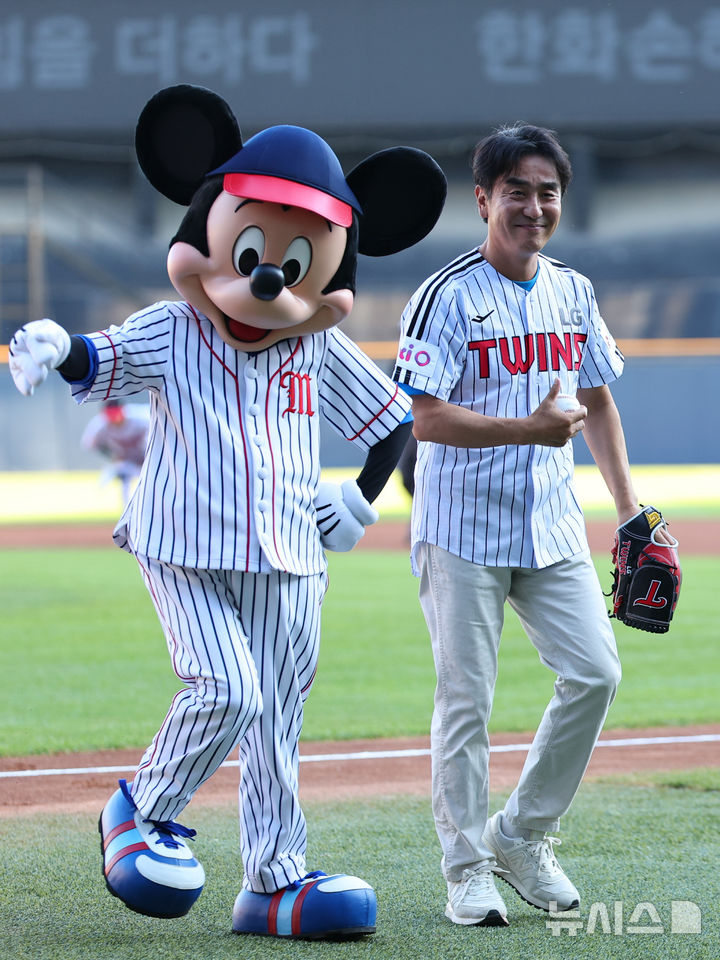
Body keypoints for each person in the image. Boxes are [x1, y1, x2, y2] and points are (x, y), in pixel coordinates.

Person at [8, 85, 446, 938]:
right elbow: (100, 358)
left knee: (278, 716)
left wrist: (358, 499)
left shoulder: (317, 345)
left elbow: (394, 422)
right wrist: (59, 348)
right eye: (249, 249)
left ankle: (274, 881)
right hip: (183, 546)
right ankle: (140, 808)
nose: (268, 274)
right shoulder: (176, 329)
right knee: (229, 689)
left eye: (296, 259)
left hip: (291, 556)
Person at [391, 123, 674, 929]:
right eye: (517, 190)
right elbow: (426, 419)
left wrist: (630, 512)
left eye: (548, 192)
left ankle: (520, 834)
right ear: (484, 201)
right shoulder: (445, 296)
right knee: (467, 702)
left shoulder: (573, 291)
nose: (534, 206)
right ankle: (465, 871)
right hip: (460, 528)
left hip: (550, 524)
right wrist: (526, 429)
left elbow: (598, 400)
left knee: (597, 672)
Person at [81, 399, 150, 504]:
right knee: (123, 476)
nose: (114, 419)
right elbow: (89, 444)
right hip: (127, 460)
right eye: (110, 415)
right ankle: (127, 508)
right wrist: (112, 456)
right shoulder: (100, 424)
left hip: (147, 457)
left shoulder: (140, 417)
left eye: (115, 414)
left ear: (123, 411)